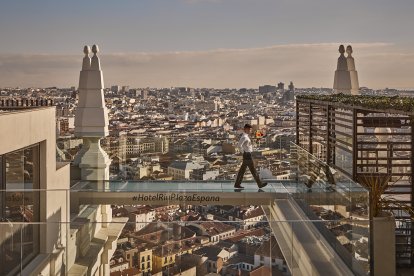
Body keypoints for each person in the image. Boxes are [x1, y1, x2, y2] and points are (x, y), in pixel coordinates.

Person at [234, 124, 268, 189]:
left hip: (247, 154)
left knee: (242, 170)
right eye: (249, 129)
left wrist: (257, 140)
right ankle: (259, 184)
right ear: (246, 129)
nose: (250, 130)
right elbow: (239, 145)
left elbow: (248, 145)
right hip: (247, 155)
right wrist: (244, 152)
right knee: (253, 170)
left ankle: (237, 184)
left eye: (251, 129)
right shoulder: (244, 137)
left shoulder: (246, 136)